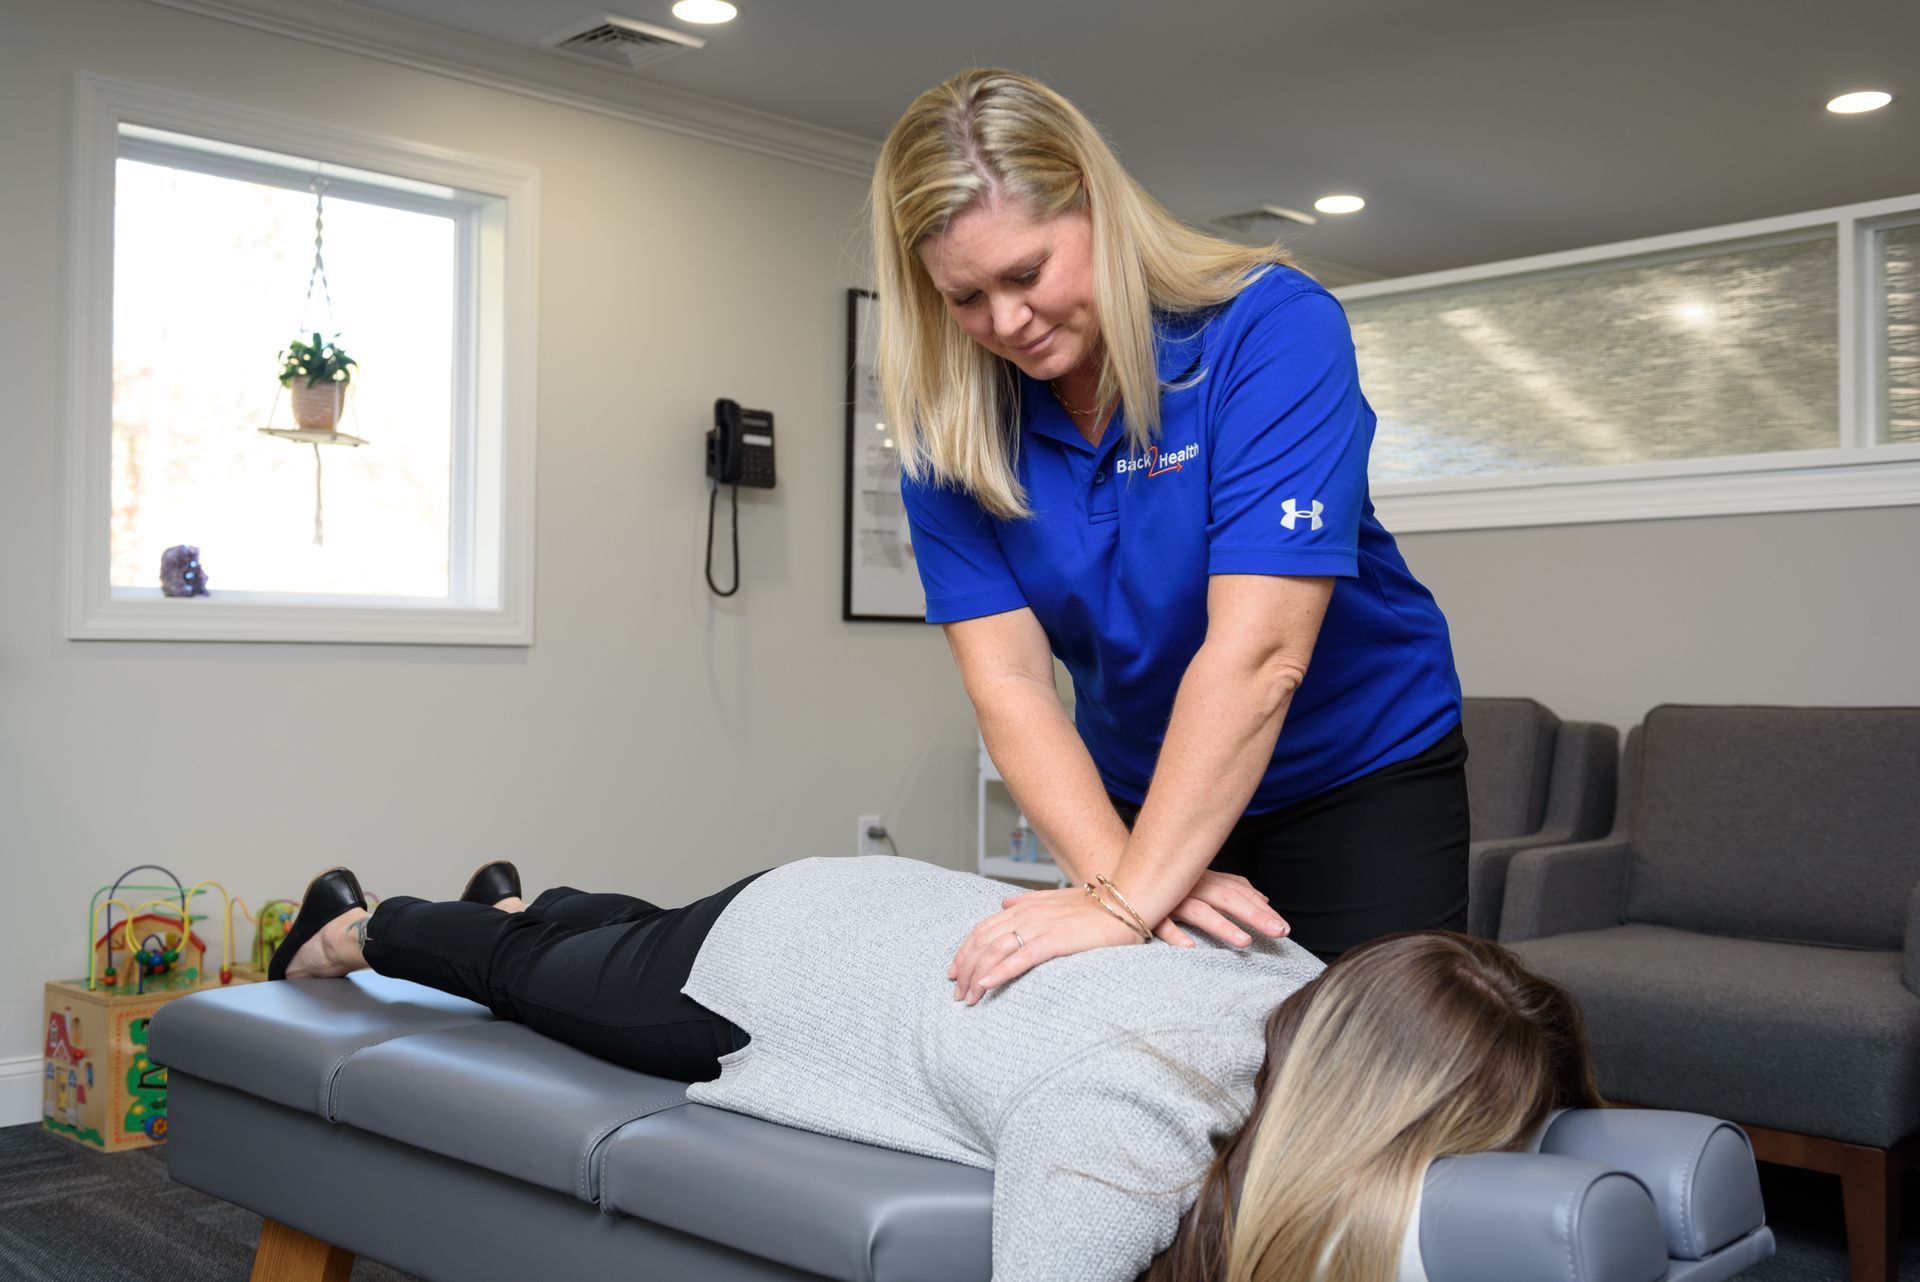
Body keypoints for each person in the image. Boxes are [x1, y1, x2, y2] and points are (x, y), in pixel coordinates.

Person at [272, 859, 1603, 1282]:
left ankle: (535, 896)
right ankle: (367, 914)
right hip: (776, 961)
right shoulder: (1126, 1109)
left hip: (887, 906)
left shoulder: (1296, 969)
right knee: (548, 988)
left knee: (601, 936)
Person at [872, 69, 1467, 975]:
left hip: (1352, 772)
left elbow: (1262, 653)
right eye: (965, 298)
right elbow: (1012, 686)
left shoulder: (1267, 329)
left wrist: (1129, 896)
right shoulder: (950, 426)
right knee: (1165, 1068)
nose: (1007, 321)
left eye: (1027, 273)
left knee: (1372, 1082)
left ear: (1095, 206)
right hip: (1143, 787)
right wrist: (1129, 881)